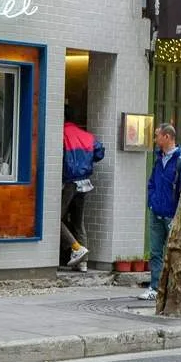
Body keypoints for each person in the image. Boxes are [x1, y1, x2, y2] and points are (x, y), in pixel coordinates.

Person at [139, 123, 181, 301]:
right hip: (156, 211)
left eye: (157, 135)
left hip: (171, 214)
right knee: (155, 252)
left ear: (167, 137)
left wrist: (178, 214)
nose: (155, 139)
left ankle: (175, 288)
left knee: (175, 253)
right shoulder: (158, 159)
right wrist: (151, 201)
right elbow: (152, 182)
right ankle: (155, 287)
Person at [62, 106, 105, 270]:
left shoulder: (62, 134)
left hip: (69, 182)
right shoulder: (87, 136)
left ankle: (77, 248)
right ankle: (83, 263)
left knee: (54, 219)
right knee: (78, 222)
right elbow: (99, 152)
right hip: (85, 182)